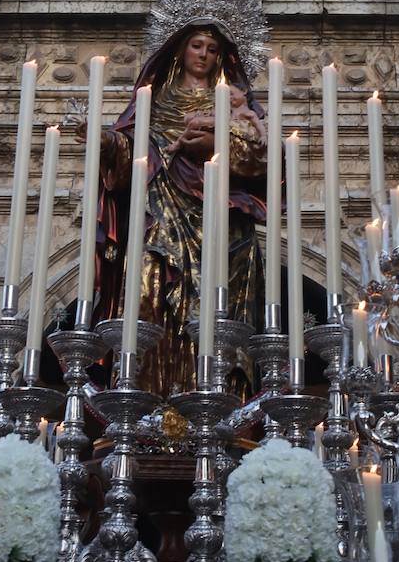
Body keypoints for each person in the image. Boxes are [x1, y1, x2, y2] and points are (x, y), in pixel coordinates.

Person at [90, 21, 267, 396]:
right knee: (148, 295)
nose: (204, 55)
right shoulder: (154, 100)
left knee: (221, 313)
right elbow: (133, 150)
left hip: (223, 220)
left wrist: (217, 150)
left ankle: (221, 403)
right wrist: (107, 142)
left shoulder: (236, 103)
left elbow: (259, 159)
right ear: (180, 50)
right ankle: (144, 400)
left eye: (212, 49)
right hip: (160, 213)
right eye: (197, 46)